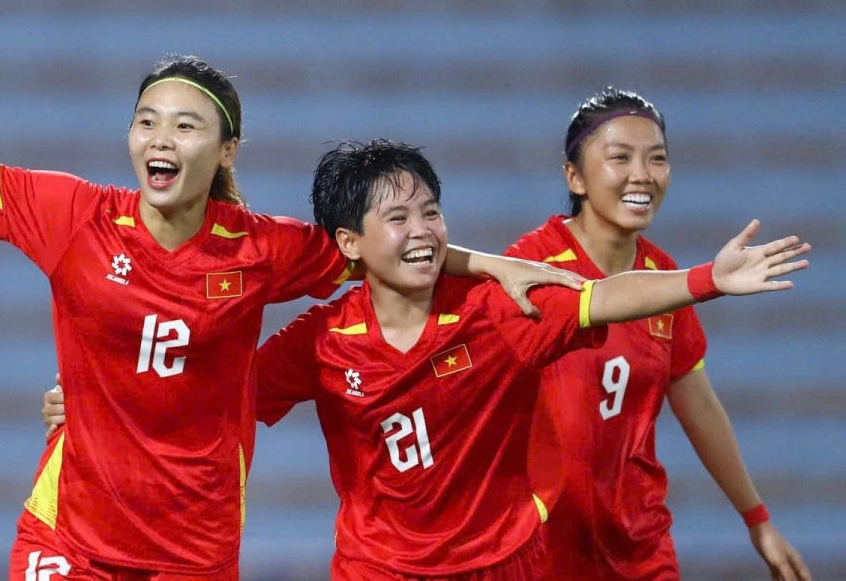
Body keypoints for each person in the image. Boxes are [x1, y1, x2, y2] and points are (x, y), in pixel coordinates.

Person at [0, 0, 581, 580]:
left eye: (185, 126)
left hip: (193, 547)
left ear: (226, 149)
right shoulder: (73, 216)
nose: (160, 138)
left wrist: (487, 262)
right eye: (146, 121)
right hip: (71, 530)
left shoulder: (261, 250)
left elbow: (386, 249)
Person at [44, 139, 810, 579]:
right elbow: (210, 392)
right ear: (347, 245)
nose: (423, 230)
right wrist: (94, 399)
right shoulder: (322, 339)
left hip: (502, 562)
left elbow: (604, 297)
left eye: (432, 211)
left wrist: (708, 280)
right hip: (379, 569)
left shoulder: (494, 313)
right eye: (397, 216)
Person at [507, 88, 811, 581]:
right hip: (539, 549)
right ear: (575, 177)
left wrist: (758, 520)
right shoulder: (528, 267)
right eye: (620, 157)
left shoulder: (664, 276)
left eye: (657, 158)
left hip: (637, 546)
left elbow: (699, 406)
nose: (642, 175)